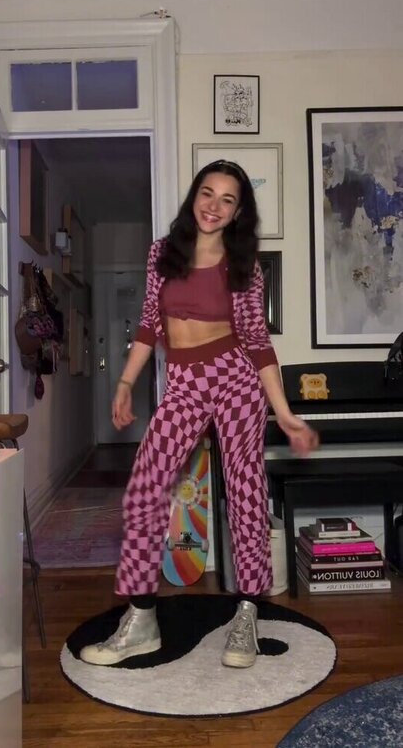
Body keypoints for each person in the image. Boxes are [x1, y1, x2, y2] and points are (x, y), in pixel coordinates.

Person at [80, 160, 319, 669]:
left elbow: (258, 343)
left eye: (227, 199)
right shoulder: (162, 254)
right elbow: (150, 324)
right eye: (207, 193)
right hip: (184, 383)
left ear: (238, 212)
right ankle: (142, 619)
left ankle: (247, 613)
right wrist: (125, 383)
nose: (214, 206)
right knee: (145, 489)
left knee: (245, 492)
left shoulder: (244, 267)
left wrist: (284, 413)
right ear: (194, 196)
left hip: (236, 379)